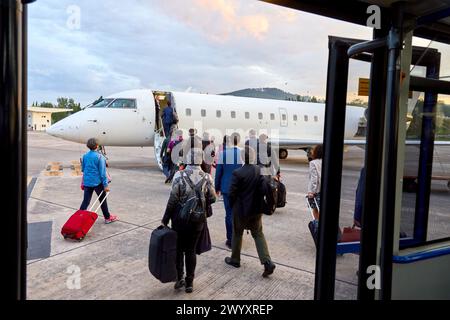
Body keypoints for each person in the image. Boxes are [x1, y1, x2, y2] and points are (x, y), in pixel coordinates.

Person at [161, 148, 216, 293]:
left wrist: (165, 219)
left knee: (179, 250)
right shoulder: (207, 177)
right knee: (191, 250)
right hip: (198, 220)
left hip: (180, 219)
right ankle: (190, 283)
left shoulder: (179, 175)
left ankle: (180, 278)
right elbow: (213, 198)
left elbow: (172, 200)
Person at [224, 146, 276, 277]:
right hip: (256, 210)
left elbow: (231, 193)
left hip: (240, 210)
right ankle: (267, 262)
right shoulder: (259, 170)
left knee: (237, 233)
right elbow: (265, 189)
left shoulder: (237, 173)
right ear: (253, 157)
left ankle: (235, 259)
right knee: (258, 234)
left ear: (242, 158)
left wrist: (232, 206)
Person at [80, 138, 118, 224]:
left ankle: (80, 218)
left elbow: (83, 169)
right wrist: (105, 185)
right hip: (97, 183)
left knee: (86, 201)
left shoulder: (85, 156)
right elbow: (102, 173)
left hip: (87, 182)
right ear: (97, 146)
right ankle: (107, 218)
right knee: (102, 200)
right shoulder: (100, 157)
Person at [215, 133, 243, 249]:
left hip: (227, 188)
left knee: (229, 214)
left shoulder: (223, 154)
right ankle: (238, 238)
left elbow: (218, 173)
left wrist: (217, 188)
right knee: (239, 214)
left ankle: (230, 240)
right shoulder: (243, 153)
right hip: (240, 188)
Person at [307, 144, 323, 222]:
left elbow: (314, 179)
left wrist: (311, 192)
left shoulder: (313, 163)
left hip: (317, 191)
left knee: (315, 209)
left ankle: (318, 227)